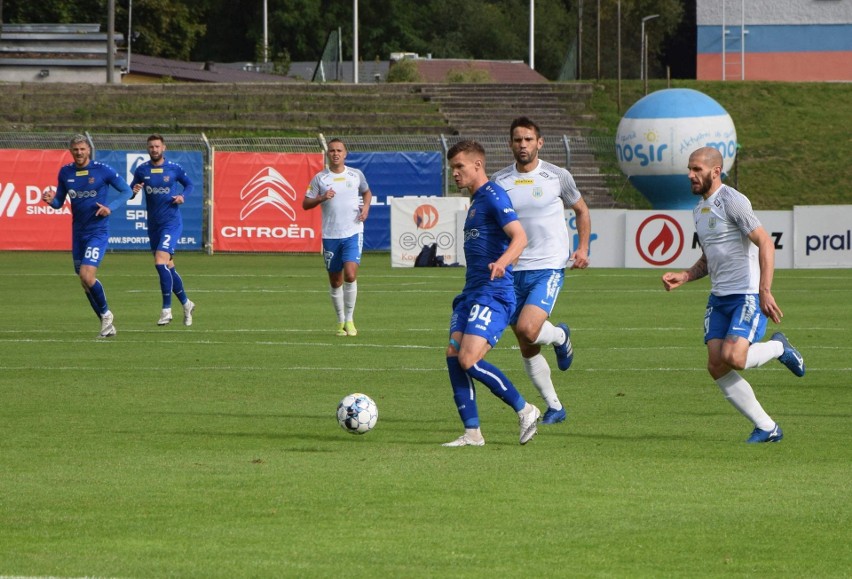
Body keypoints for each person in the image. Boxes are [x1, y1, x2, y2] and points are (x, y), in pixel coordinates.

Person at [661, 146, 805, 444]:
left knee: (734, 358)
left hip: (747, 296)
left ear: (715, 171)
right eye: (690, 168)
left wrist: (764, 290)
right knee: (716, 365)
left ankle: (779, 347)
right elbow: (709, 258)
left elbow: (765, 243)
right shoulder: (698, 211)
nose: (690, 174)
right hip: (719, 298)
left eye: (697, 169)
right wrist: (686, 276)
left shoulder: (732, 201)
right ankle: (767, 427)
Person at [492, 116, 591, 425]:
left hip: (548, 265)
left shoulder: (557, 176)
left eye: (528, 139)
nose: (523, 145)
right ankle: (555, 407)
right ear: (510, 144)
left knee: (528, 329)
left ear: (539, 142)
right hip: (512, 269)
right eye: (517, 140)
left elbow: (581, 210)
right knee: (526, 343)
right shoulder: (499, 181)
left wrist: (583, 248)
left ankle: (560, 336)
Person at [442, 139, 541, 447]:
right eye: (452, 168)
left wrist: (502, 261)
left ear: (477, 165)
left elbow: (520, 237)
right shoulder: (475, 202)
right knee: (454, 356)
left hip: (494, 293)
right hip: (471, 293)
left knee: (469, 359)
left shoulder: (494, 195)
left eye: (460, 167)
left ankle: (526, 409)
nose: (455, 173)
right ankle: (472, 433)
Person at [42, 134, 134, 338]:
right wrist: (51, 200)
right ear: (70, 151)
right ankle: (106, 324)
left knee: (87, 275)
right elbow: (59, 202)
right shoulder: (65, 172)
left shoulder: (102, 170)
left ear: (88, 150)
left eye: (82, 149)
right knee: (84, 282)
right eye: (75, 149)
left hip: (97, 232)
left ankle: (107, 314)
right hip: (78, 233)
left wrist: (110, 207)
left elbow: (127, 191)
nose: (79, 152)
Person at [303, 138, 372, 336]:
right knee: (335, 280)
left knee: (350, 274)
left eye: (339, 150)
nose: (335, 153)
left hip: (353, 231)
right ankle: (340, 321)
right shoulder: (320, 178)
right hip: (331, 234)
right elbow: (305, 203)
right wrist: (321, 198)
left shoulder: (355, 175)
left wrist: (365, 208)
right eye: (332, 150)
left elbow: (367, 193)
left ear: (345, 153)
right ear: (328, 154)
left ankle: (350, 320)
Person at [130, 134, 196, 326]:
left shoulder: (174, 169)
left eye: (157, 146)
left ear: (164, 148)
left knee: (160, 262)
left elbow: (189, 184)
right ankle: (186, 303)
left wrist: (183, 196)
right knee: (168, 267)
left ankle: (166, 310)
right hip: (154, 225)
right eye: (151, 147)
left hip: (171, 223)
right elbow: (130, 192)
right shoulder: (142, 170)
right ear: (147, 149)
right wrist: (133, 191)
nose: (154, 150)